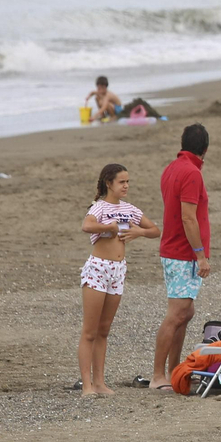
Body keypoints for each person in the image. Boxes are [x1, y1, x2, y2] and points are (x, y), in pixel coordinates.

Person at [77, 164, 159, 396]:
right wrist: (109, 227)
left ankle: (100, 382)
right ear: (109, 183)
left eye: (128, 181)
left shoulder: (130, 209)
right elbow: (87, 225)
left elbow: (154, 230)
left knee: (104, 330)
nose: (126, 186)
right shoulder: (100, 207)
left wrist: (138, 232)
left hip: (118, 271)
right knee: (90, 331)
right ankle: (87, 385)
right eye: (122, 182)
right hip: (98, 269)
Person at [153, 125, 211, 392]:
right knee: (176, 314)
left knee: (186, 312)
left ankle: (174, 371)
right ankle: (157, 376)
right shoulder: (191, 172)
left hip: (175, 250)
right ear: (205, 149)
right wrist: (200, 255)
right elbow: (188, 217)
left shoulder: (172, 167)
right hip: (182, 252)